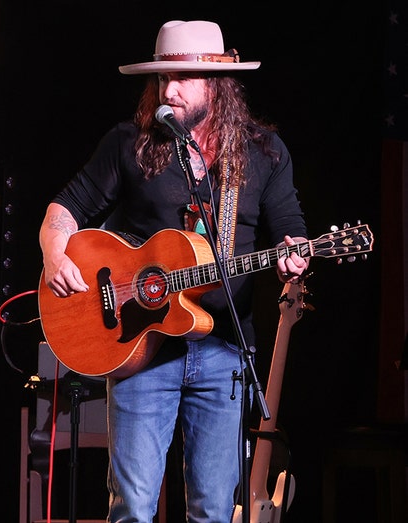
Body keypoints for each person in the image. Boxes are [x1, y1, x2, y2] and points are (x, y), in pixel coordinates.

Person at [38, 20, 309, 523]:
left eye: (183, 77)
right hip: (141, 346)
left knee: (211, 509)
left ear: (217, 86)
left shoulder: (264, 152)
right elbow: (65, 208)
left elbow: (288, 224)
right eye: (163, 77)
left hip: (225, 349)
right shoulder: (129, 143)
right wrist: (56, 254)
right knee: (133, 509)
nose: (170, 89)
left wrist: (294, 251)